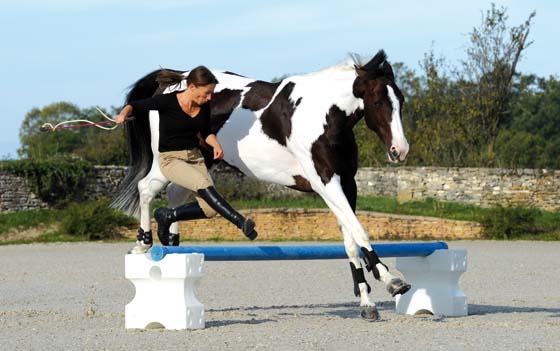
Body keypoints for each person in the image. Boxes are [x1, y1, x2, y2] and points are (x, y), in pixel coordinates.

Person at [116, 66, 257, 254]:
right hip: (171, 160)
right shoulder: (166, 102)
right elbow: (136, 105)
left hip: (195, 158)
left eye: (211, 93)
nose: (209, 98)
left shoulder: (204, 106)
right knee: (202, 185)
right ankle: (240, 221)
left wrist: (215, 144)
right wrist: (123, 113)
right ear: (192, 87)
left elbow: (206, 132)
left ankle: (167, 216)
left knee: (210, 209)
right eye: (207, 93)